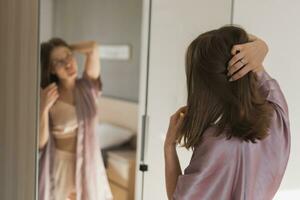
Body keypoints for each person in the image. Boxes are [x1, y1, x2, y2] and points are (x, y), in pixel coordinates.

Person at [164, 26, 290, 200]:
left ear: (204, 86)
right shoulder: (276, 118)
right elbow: (259, 72)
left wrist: (169, 147)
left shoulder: (216, 145)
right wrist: (262, 46)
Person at [39, 38, 112, 200]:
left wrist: (66, 48)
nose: (67, 64)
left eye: (68, 56)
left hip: (89, 163)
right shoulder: (49, 95)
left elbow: (93, 47)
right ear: (51, 69)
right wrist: (43, 108)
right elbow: (40, 143)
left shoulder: (88, 87)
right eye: (59, 62)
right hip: (61, 167)